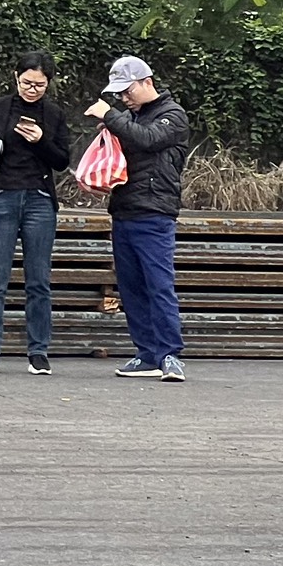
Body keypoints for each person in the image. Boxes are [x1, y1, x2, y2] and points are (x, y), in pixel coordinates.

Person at [0, 51, 73, 374]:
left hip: (39, 199)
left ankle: (38, 351)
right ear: (15, 77)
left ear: (48, 83)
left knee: (39, 279)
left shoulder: (54, 114)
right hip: (1, 197)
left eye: (39, 85)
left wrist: (41, 140)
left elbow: (62, 161)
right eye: (26, 83)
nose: (31, 90)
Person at [84, 54, 193, 381]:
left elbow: (148, 139)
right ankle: (146, 354)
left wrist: (110, 115)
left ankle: (169, 355)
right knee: (131, 289)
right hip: (124, 211)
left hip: (155, 214)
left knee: (158, 285)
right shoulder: (129, 119)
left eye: (127, 90)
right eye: (119, 94)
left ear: (147, 82)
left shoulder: (173, 115)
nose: (123, 98)